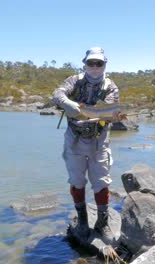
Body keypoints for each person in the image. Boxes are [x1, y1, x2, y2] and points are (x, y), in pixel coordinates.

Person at [52, 47, 121, 241]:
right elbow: (57, 94)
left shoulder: (111, 87)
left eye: (99, 63)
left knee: (101, 182)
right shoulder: (74, 80)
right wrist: (67, 103)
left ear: (104, 64)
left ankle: (102, 223)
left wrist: (113, 117)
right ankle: (82, 220)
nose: (95, 66)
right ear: (85, 64)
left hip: (99, 142)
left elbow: (106, 115)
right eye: (91, 63)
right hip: (74, 140)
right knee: (77, 181)